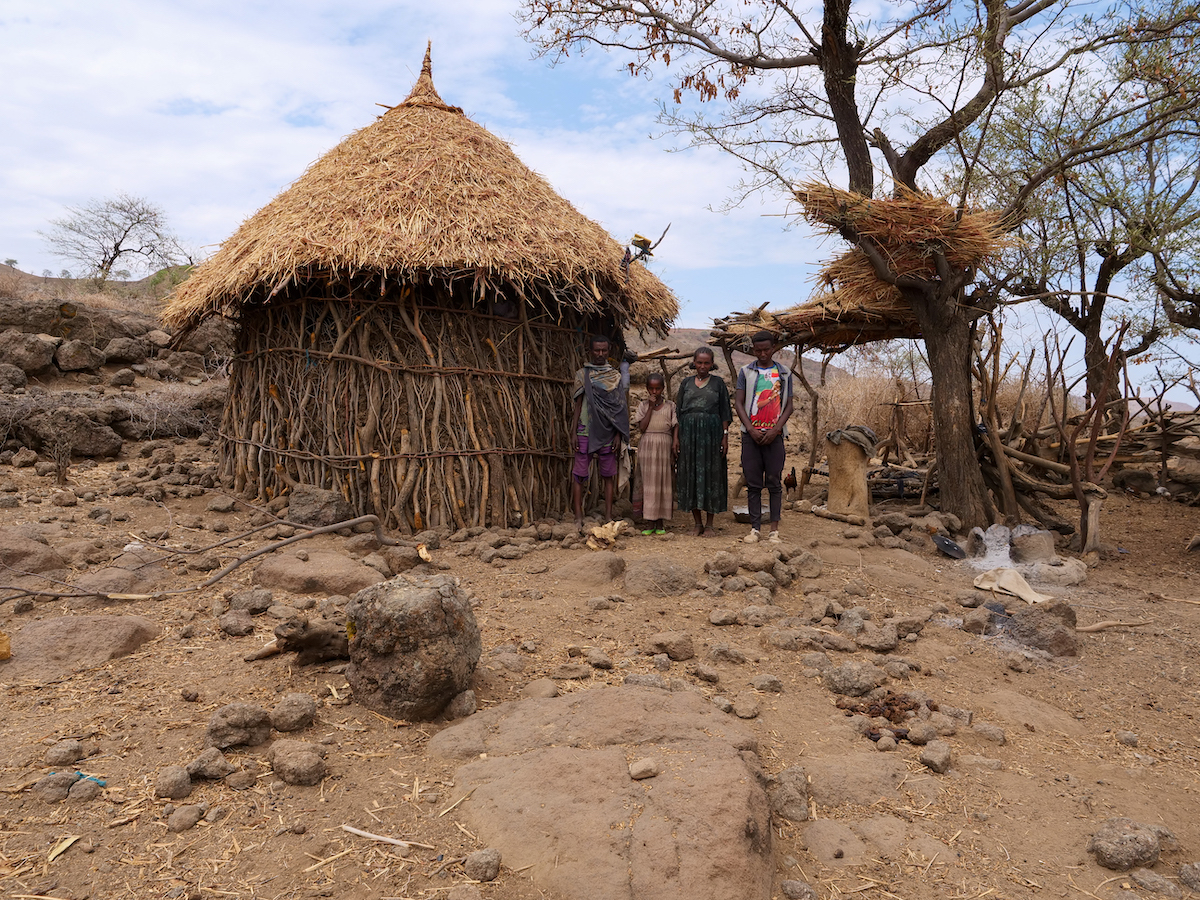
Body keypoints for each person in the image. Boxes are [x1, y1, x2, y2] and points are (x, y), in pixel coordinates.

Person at [734, 331, 793, 543]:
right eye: (758, 350)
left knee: (774, 482)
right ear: (753, 350)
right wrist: (750, 428)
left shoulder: (784, 373)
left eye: (766, 349)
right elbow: (739, 403)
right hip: (751, 435)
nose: (762, 354)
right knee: (754, 483)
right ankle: (755, 529)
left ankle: (774, 530)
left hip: (774, 436)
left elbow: (789, 406)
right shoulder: (746, 372)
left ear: (773, 347)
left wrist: (776, 429)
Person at [570, 334, 632, 528]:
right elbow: (578, 406)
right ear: (590, 351)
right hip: (585, 430)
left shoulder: (615, 377)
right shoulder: (582, 375)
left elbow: (620, 409)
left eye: (603, 350)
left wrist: (617, 434)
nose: (600, 354)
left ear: (609, 351)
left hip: (607, 432)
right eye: (596, 350)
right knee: (579, 474)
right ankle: (578, 515)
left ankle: (608, 516)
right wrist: (573, 432)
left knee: (608, 475)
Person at [674, 347, 732, 536]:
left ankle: (710, 525)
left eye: (707, 363)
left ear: (712, 363)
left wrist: (724, 436)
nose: (703, 366)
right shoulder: (686, 383)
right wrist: (677, 437)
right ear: (694, 362)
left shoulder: (718, 384)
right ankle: (697, 523)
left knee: (712, 475)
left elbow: (725, 412)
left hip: (712, 435)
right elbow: (678, 413)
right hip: (689, 435)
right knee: (691, 474)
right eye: (699, 362)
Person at [633, 372, 678, 534]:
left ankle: (660, 523)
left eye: (657, 389)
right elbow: (643, 427)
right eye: (651, 389)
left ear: (662, 389)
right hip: (647, 447)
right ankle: (649, 523)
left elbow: (675, 427)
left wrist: (674, 445)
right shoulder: (644, 406)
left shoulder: (670, 406)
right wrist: (651, 408)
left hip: (664, 447)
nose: (654, 392)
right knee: (648, 483)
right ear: (647, 389)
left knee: (662, 483)